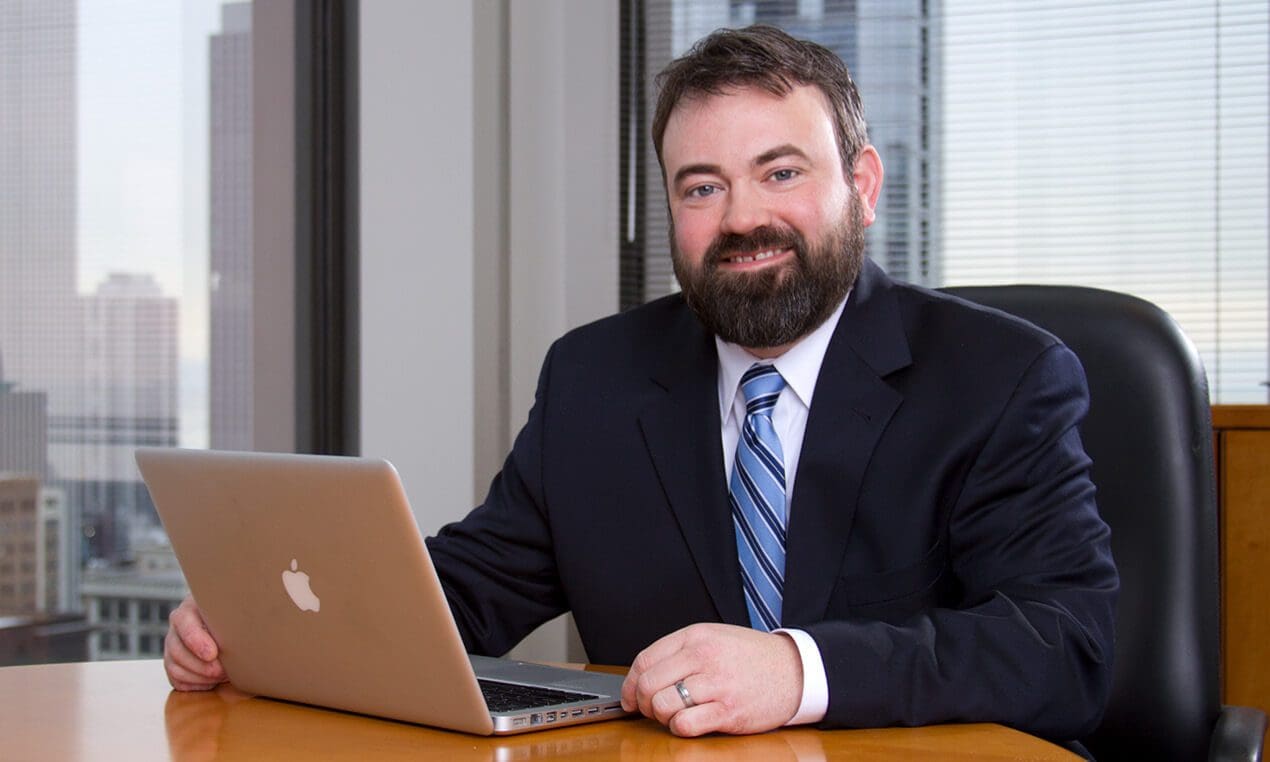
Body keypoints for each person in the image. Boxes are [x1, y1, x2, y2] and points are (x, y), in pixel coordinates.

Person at [165, 25, 1117, 743]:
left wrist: (799, 670)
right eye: (700, 186)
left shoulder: (1003, 379)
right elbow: (469, 590)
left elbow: (1064, 646)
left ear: (862, 185)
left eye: (779, 172)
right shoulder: (595, 377)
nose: (742, 218)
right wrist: (263, 627)